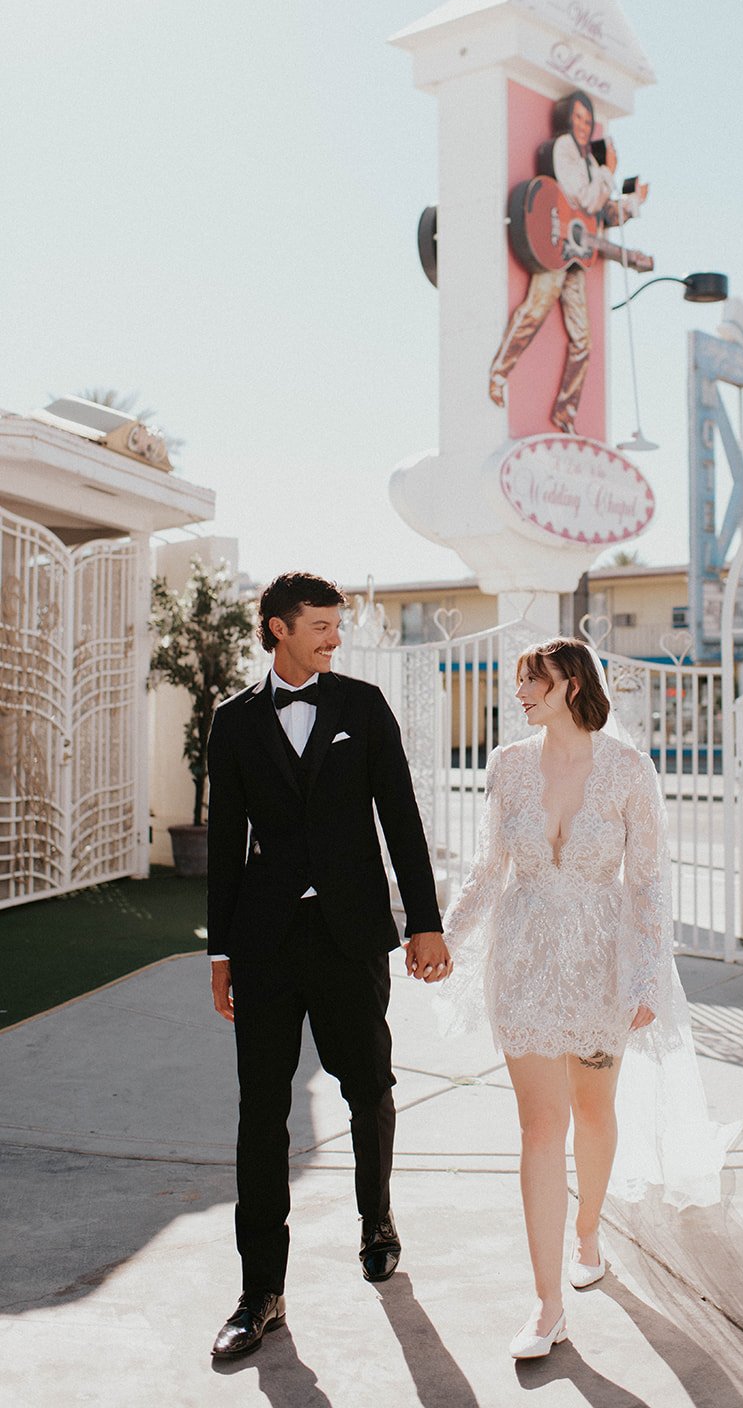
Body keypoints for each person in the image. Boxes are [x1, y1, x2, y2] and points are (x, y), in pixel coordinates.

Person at [440, 637, 738, 1360]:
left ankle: (588, 1231)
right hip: (523, 962)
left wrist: (643, 978)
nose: (520, 693)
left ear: (571, 683)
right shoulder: (506, 766)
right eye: (518, 683)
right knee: (540, 1129)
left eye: (531, 681)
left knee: (593, 1112)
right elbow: (487, 870)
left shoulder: (630, 770)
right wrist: (440, 937)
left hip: (604, 965)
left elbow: (648, 883)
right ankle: (546, 1307)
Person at [206, 571, 451, 1360]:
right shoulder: (234, 721)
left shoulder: (362, 706)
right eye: (318, 625)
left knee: (369, 1086)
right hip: (266, 942)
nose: (333, 638)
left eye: (336, 625)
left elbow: (400, 817)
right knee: (259, 1117)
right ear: (276, 629)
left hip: (351, 937)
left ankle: (375, 1218)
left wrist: (425, 923)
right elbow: (224, 845)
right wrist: (220, 952)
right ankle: (260, 1293)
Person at [488, 90, 649, 433]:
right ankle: (499, 374)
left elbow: (601, 215)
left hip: (575, 258)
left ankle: (565, 412)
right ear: (567, 119)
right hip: (554, 245)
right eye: (577, 118)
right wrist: (608, 172)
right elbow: (586, 200)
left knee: (583, 340)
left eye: (588, 121)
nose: (582, 126)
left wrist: (634, 203)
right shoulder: (563, 150)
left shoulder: (591, 163)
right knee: (533, 310)